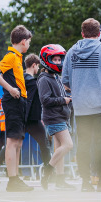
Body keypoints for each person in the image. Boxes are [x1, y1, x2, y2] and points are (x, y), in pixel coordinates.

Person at [61, 18, 101, 192]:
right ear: (99, 33)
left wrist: (79, 90)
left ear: (82, 33)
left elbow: (65, 79)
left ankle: (86, 183)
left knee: (84, 145)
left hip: (81, 108)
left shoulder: (72, 52)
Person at [0, 55, 53, 188]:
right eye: (38, 66)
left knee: (11, 145)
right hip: (30, 118)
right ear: (35, 65)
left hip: (24, 117)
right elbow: (29, 100)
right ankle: (48, 173)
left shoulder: (22, 78)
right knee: (43, 144)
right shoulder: (31, 80)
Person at [0, 25, 34, 192]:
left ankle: (14, 178)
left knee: (18, 142)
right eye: (28, 42)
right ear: (23, 41)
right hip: (13, 100)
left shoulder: (17, 57)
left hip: (19, 100)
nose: (29, 45)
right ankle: (12, 179)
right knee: (12, 141)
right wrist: (10, 88)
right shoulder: (11, 56)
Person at [37, 44, 76, 190]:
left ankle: (60, 180)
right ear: (47, 60)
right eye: (55, 59)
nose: (58, 62)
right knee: (68, 145)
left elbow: (60, 95)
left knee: (59, 149)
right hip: (54, 118)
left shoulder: (55, 77)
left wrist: (68, 97)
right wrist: (63, 100)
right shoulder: (44, 79)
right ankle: (48, 171)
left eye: (60, 60)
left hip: (61, 116)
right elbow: (45, 100)